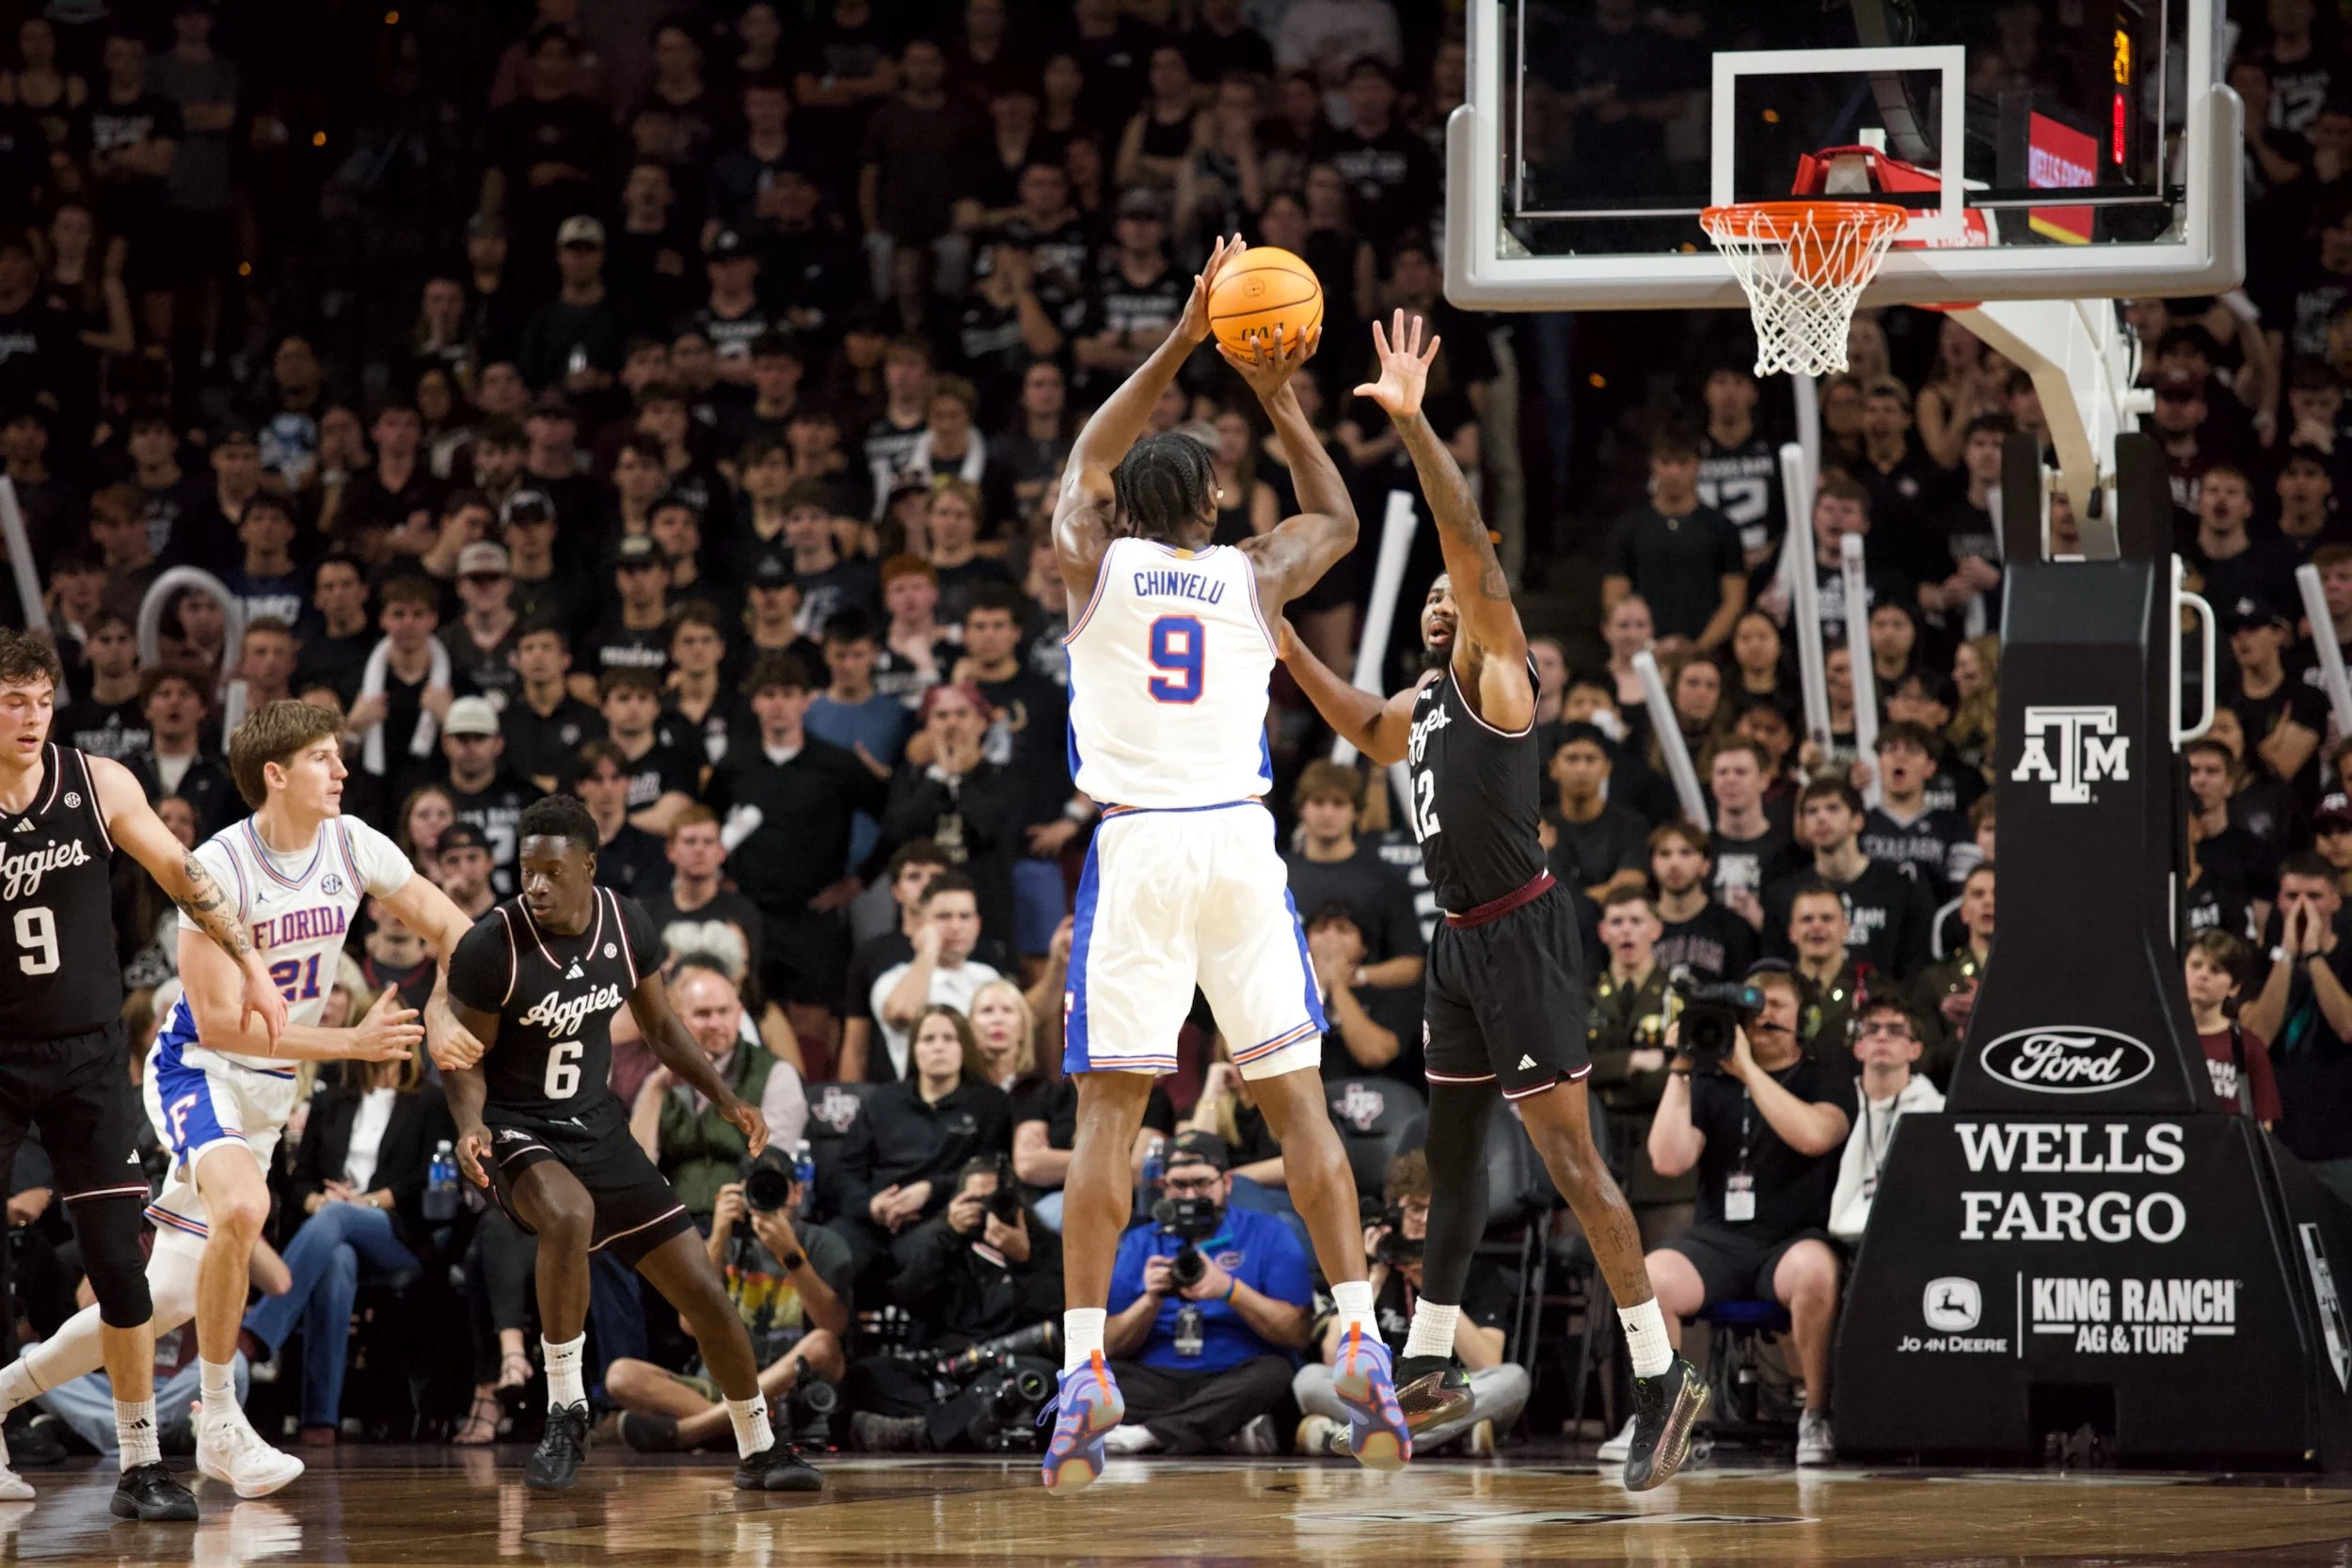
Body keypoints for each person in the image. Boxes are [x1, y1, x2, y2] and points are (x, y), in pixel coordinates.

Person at [1274, 313, 1705, 1491]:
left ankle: (1661, 1373)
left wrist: (1412, 426)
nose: (1434, 607)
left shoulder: (1496, 671)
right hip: (1459, 942)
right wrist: (1271, 632)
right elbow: (1352, 719)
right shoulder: (1414, 714)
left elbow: (1467, 540)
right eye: (1424, 603)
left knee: (1568, 1160)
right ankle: (1426, 1360)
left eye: (1448, 599)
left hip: (1522, 930)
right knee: (1448, 1149)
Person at [1045, 237, 1398, 1494]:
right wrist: (1273, 391)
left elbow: (1086, 454)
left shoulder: (1092, 556)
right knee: (1294, 1101)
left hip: (1138, 841)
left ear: (1129, 506)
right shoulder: (1253, 575)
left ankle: (1087, 1359)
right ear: (1207, 506)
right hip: (1243, 845)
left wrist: (1186, 334)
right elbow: (1343, 517)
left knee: (1108, 1112)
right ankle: (1359, 1330)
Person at [0, 699, 489, 1502]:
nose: (341, 770)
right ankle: (220, 1420)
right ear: (276, 773)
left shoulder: (353, 842)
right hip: (198, 1066)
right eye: (324, 758)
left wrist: (439, 1004)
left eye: (341, 756)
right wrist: (351, 1045)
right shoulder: (220, 865)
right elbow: (224, 1025)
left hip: (267, 1085)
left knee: (158, 1303)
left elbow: (452, 927)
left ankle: (3, 1396)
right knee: (242, 1204)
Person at [441, 794, 820, 1494]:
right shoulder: (492, 944)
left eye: (553, 872)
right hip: (514, 1128)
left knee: (704, 1291)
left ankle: (760, 1446)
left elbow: (665, 1029)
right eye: (528, 871)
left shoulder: (627, 922)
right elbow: (460, 1056)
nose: (537, 886)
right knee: (569, 1213)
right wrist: (471, 1125)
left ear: (589, 866)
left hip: (597, 1125)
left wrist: (727, 1097)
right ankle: (567, 1408)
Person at [0, 632, 293, 1520]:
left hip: (88, 1051)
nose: (29, 716)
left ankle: (139, 1463)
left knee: (120, 1268)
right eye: (12, 700)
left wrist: (247, 958)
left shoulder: (98, 783)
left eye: (41, 700)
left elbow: (181, 870)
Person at [1625, 966, 1855, 1466]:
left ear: (1803, 1016)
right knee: (1650, 1276)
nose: (1765, 1015)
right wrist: (1683, 1067)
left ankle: (1815, 1413)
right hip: (1718, 1243)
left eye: (1777, 1005)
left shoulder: (1826, 1071)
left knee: (1817, 1271)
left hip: (1792, 1239)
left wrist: (1748, 1070)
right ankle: (1662, 1416)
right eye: (1755, 1007)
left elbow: (1815, 1135)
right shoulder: (1709, 1079)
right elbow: (1668, 1161)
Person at [237, 1021, 456, 1446]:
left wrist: (368, 1202)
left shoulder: (429, 1101)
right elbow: (298, 1180)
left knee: (338, 1219)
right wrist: (316, 1202)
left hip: (398, 1232)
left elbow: (425, 1179)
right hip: (332, 1230)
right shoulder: (332, 1100)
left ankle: (258, 1334)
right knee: (337, 1261)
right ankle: (320, 1417)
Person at [608, 1157, 852, 1456]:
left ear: (798, 1193)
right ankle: (753, 1434)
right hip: (721, 1385)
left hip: (787, 1390)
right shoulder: (725, 1243)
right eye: (756, 1190)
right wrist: (719, 1234)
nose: (767, 1199)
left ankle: (690, 1432)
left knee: (822, 1344)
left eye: (776, 1189)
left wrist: (791, 1255)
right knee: (621, 1375)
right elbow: (688, 1322)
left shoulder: (823, 1242)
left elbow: (833, 1326)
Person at [1295, 1150, 1527, 1458]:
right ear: (1394, 1212)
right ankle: (1447, 1438)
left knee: (1513, 1379)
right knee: (1308, 1380)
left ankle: (1374, 1438)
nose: (1428, 1220)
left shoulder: (1475, 1272)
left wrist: (1436, 1287)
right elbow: (1331, 1357)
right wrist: (1372, 1273)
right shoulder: (1362, 1268)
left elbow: (1487, 1363)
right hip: (1379, 1394)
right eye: (1416, 1208)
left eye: (1439, 1209)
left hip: (1445, 1394)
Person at [1100, 1131, 1311, 1457]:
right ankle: (1217, 1430)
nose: (1189, 1195)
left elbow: (1297, 1334)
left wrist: (1230, 1289)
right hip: (1159, 1378)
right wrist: (1149, 1300)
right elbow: (1110, 1343)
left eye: (1201, 1183)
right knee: (1091, 1381)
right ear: (1164, 1187)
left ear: (1226, 1182)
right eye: (1178, 1186)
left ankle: (1149, 1434)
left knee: (1276, 1374)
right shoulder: (1141, 1241)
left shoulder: (1268, 1232)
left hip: (1235, 1374)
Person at [2236, 854, 2352, 1200]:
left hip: (2343, 1146)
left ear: (2336, 900)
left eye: (2314, 896)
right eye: (2292, 896)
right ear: (2278, 901)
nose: (2302, 907)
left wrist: (2314, 957)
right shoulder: (2259, 962)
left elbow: (2347, 1027)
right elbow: (2256, 1036)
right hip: (2277, 1142)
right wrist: (2287, 954)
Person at [1826, 1000, 1945, 1246]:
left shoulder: (1939, 1111)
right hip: (1838, 1239)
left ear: (1915, 1049)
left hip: (1915, 1239)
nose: (1882, 1037)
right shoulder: (1833, 1109)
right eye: (1872, 1030)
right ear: (1858, 1048)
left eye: (1895, 1031)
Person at [2185, 929, 2282, 1126]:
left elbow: (2264, 1124)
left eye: (2216, 970)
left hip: (2229, 1153)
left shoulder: (2248, 1046)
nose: (2203, 975)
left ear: (2234, 987)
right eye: (2196, 965)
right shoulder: (2165, 1039)